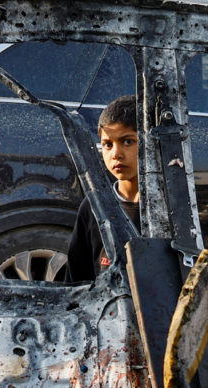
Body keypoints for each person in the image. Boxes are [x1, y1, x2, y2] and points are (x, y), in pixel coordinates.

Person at [64, 94, 141, 282]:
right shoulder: (94, 207)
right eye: (108, 144)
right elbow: (76, 281)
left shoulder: (172, 208)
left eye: (128, 141)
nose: (116, 154)